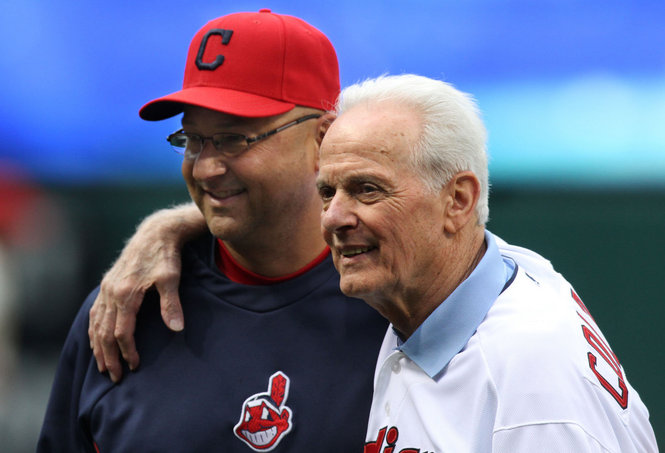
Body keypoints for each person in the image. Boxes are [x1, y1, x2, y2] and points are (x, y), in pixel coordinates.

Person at [38, 10, 387, 452]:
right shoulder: (125, 309)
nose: (205, 167)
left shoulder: (394, 300)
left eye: (235, 139)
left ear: (322, 139)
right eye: (192, 140)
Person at [316, 74, 657, 451]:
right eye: (327, 192)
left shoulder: (529, 376)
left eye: (367, 190)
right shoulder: (455, 289)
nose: (334, 217)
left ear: (458, 201)